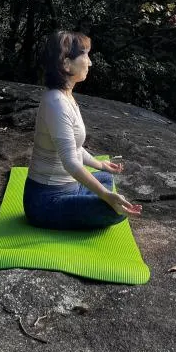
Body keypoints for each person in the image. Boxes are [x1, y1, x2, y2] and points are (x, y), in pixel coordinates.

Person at [23, 30, 142, 230]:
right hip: (45, 202)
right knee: (114, 212)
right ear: (66, 64)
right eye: (85, 55)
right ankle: (91, 201)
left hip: (70, 187)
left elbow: (74, 147)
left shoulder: (66, 96)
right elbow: (71, 162)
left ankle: (87, 197)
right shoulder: (56, 103)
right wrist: (105, 196)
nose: (90, 62)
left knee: (106, 177)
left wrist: (101, 165)